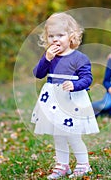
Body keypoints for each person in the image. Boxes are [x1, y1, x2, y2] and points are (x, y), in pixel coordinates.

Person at [31, 12, 99, 179]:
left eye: (60, 35)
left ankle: (84, 165)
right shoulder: (50, 57)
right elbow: (38, 74)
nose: (55, 39)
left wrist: (75, 85)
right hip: (53, 100)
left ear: (71, 36)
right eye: (51, 36)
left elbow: (87, 78)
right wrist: (46, 59)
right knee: (58, 134)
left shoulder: (79, 58)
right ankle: (62, 165)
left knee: (73, 134)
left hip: (72, 100)